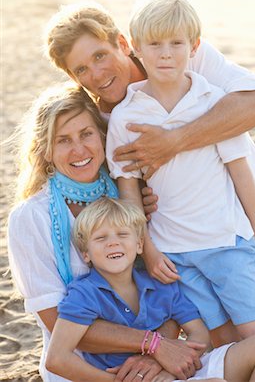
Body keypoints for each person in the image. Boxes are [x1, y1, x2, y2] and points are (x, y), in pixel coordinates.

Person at [45, 0, 255, 348]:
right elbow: (127, 192)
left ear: (122, 43)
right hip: (192, 252)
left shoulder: (180, 51)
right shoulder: (105, 123)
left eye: (100, 56)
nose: (97, 74)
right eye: (81, 70)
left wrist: (173, 141)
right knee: (242, 351)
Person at [105, 0, 255, 382]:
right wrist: (151, 248)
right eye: (155, 44)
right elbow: (129, 197)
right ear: (136, 47)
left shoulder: (210, 100)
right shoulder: (126, 116)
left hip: (228, 243)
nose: (165, 54)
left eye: (176, 44)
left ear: (194, 47)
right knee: (221, 340)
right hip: (177, 257)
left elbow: (241, 173)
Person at [7, 82, 207, 382]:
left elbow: (165, 297)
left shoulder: (129, 195)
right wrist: (152, 344)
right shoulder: (30, 219)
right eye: (63, 140)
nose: (78, 150)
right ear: (45, 151)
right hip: (83, 370)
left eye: (86, 134)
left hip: (152, 362)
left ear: (102, 136)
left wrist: (158, 354)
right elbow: (58, 322)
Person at [46, 196, 255, 382]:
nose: (113, 242)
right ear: (85, 254)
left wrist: (165, 365)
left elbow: (199, 334)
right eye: (101, 238)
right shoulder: (84, 294)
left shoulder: (160, 285)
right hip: (119, 378)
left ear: (140, 244)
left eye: (122, 234)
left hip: (173, 372)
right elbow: (56, 359)